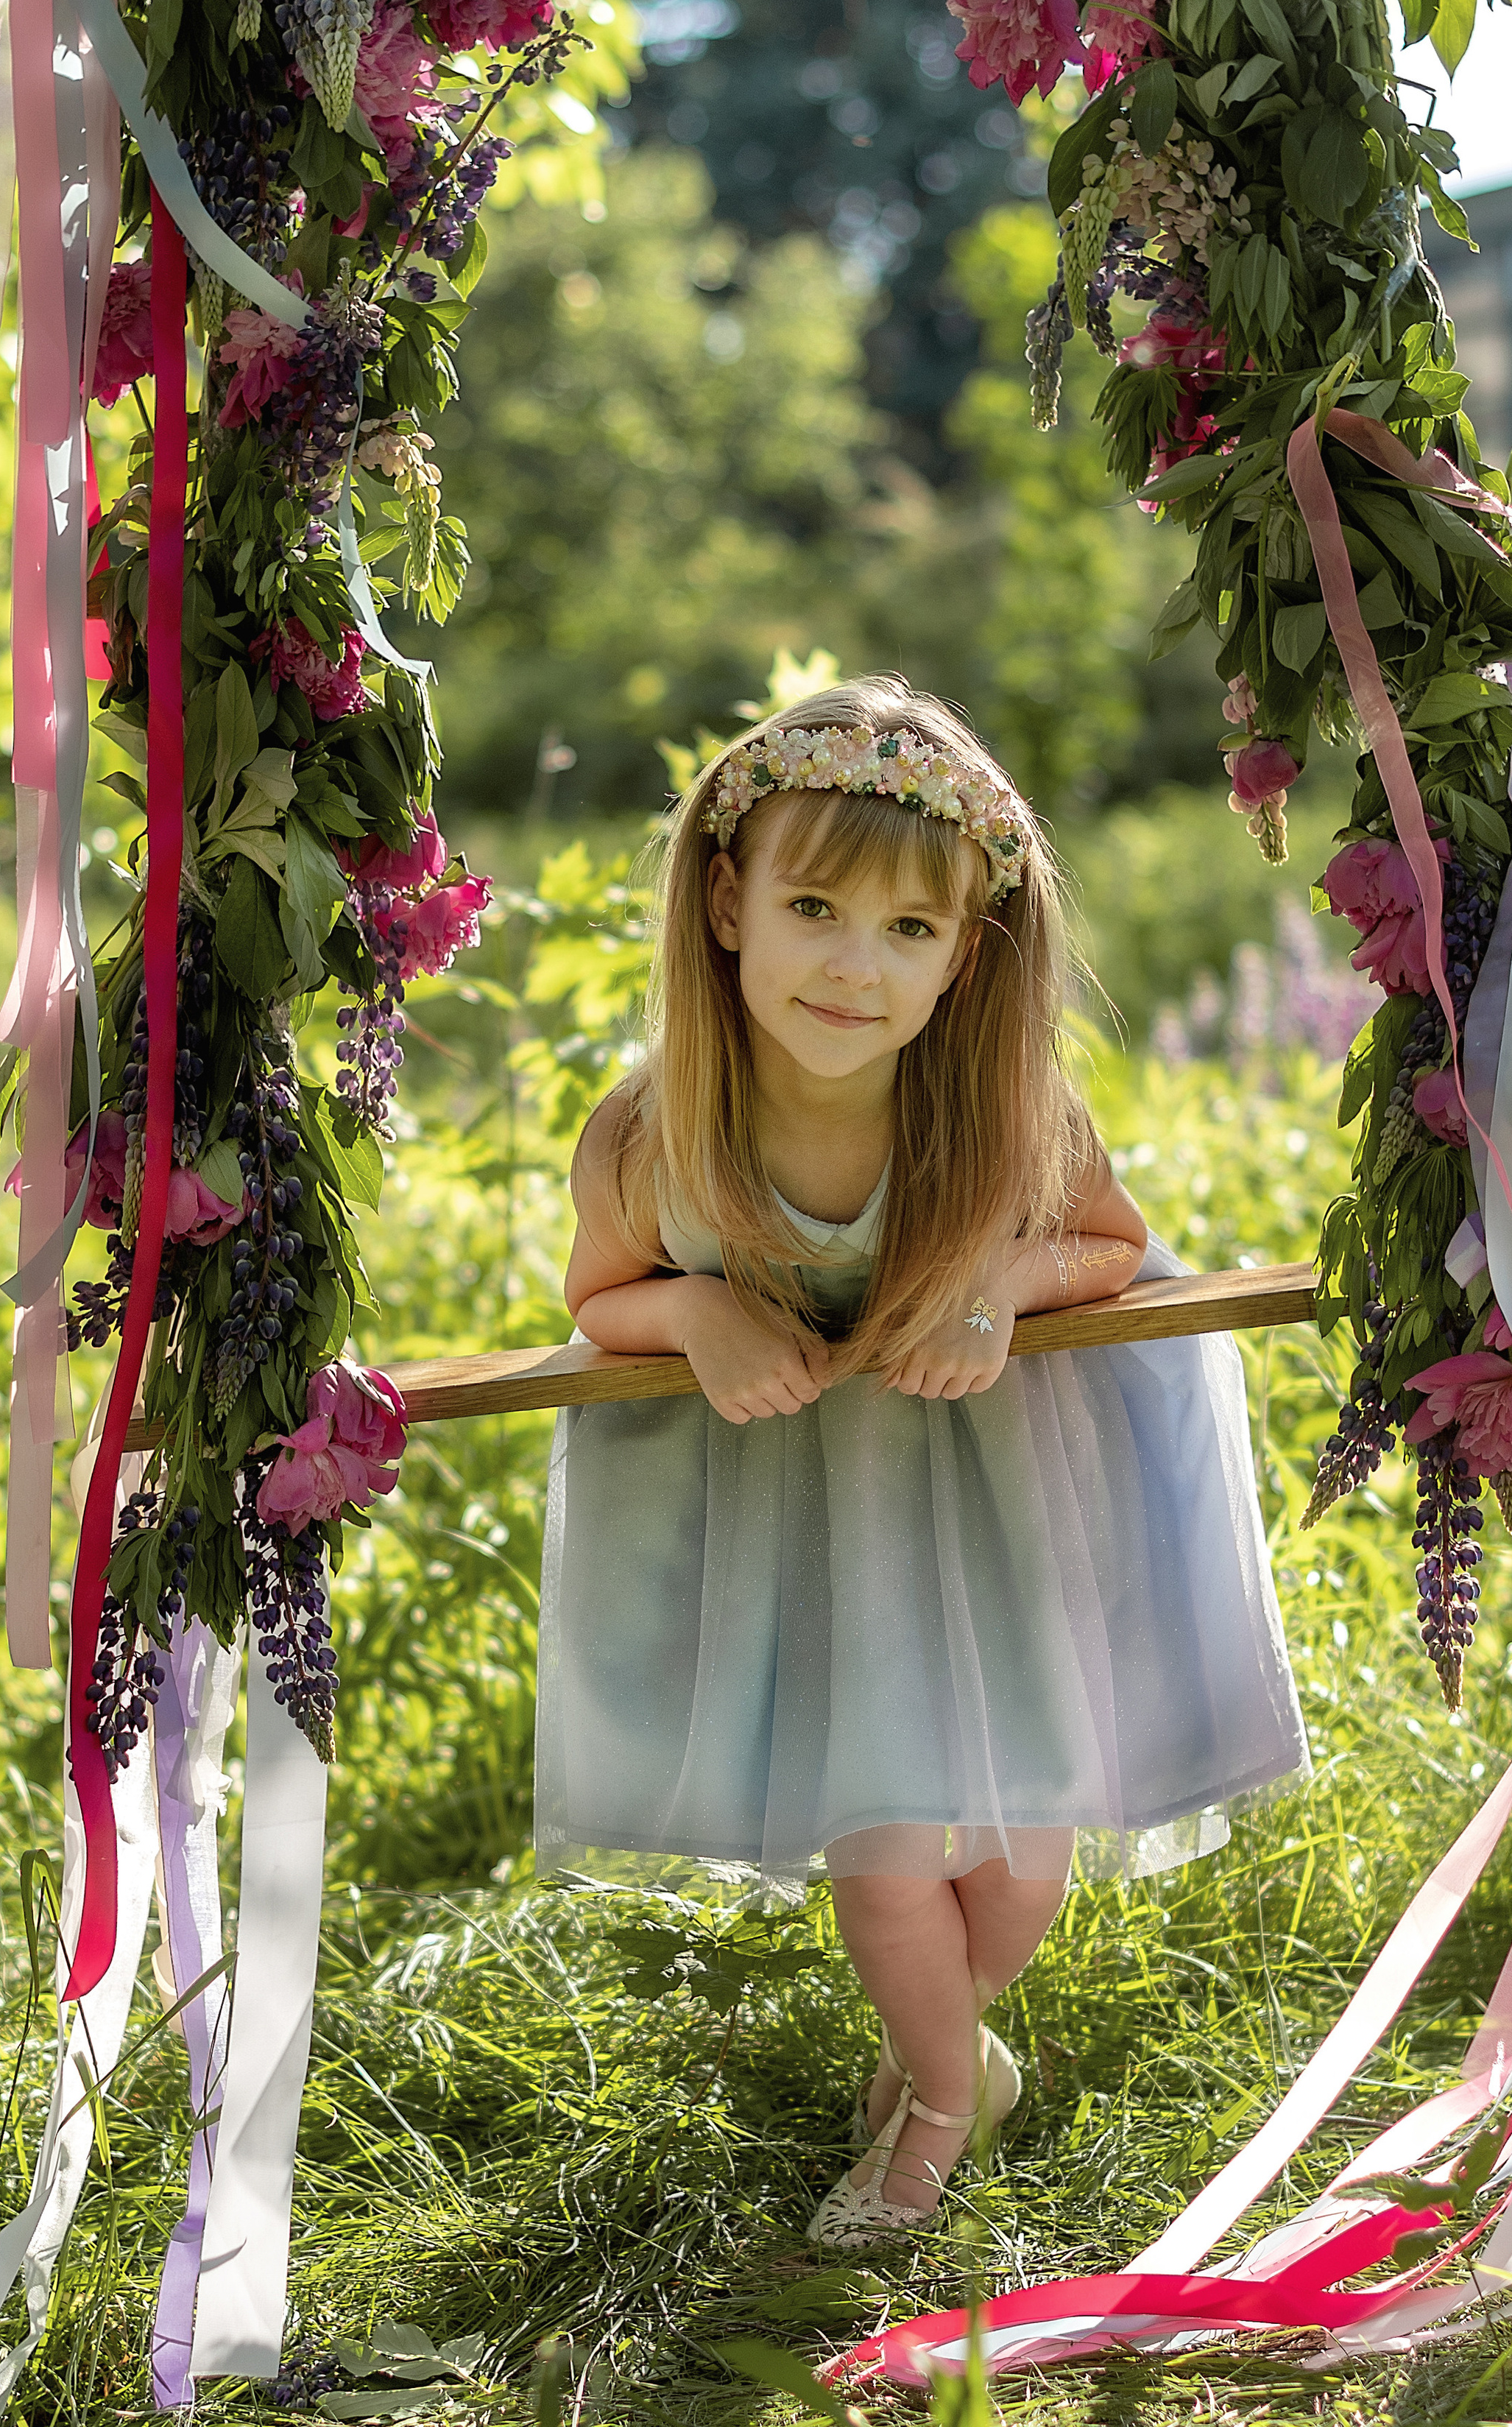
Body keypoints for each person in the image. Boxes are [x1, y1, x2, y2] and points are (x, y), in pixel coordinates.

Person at [536, 675, 1305, 2241]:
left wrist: (992, 1282)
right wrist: (689, 1309)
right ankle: (936, 2108)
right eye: (814, 906)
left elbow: (1108, 1248)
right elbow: (595, 1296)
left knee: (1021, 1862)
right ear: (727, 903)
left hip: (1006, 1493)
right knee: (887, 1852)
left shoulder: (1003, 1112)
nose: (852, 965)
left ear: (966, 956)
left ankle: (947, 2048)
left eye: (907, 931)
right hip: (823, 1528)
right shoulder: (648, 1133)